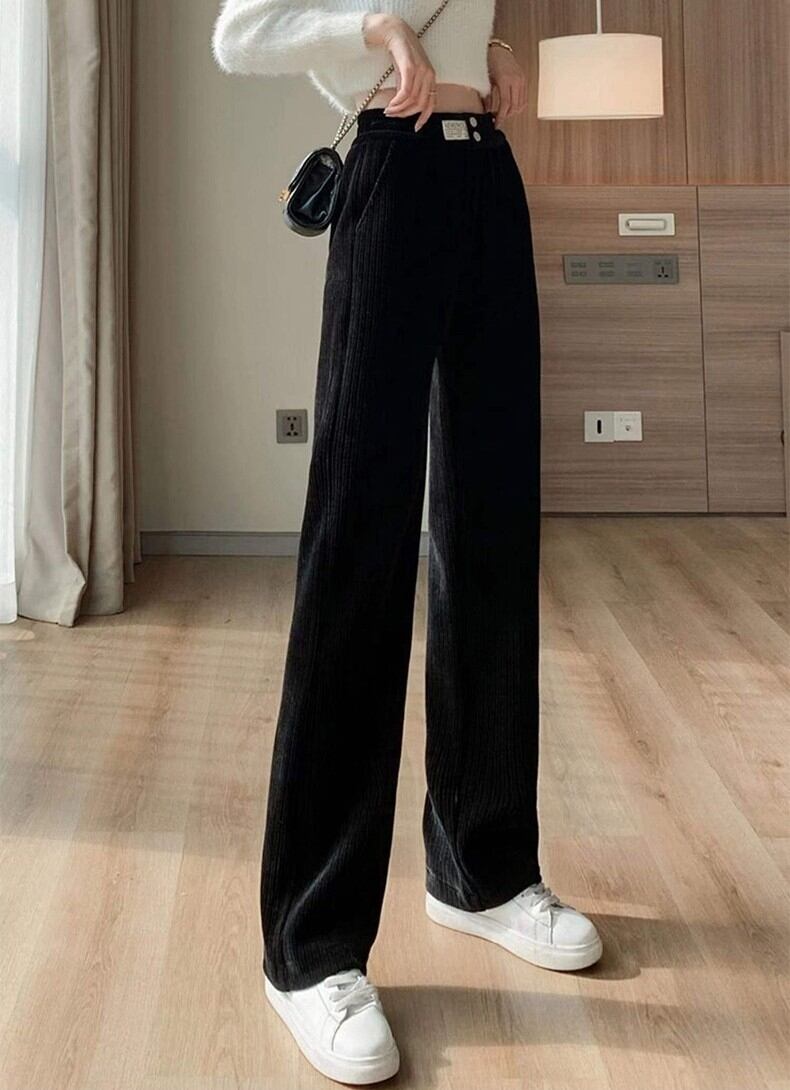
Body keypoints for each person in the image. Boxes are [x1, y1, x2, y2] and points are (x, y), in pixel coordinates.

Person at [212, 2, 602, 1083]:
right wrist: (376, 27)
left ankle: (482, 868)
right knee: (359, 544)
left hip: (488, 174)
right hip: (392, 168)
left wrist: (492, 47)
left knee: (491, 531)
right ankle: (310, 947)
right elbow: (239, 35)